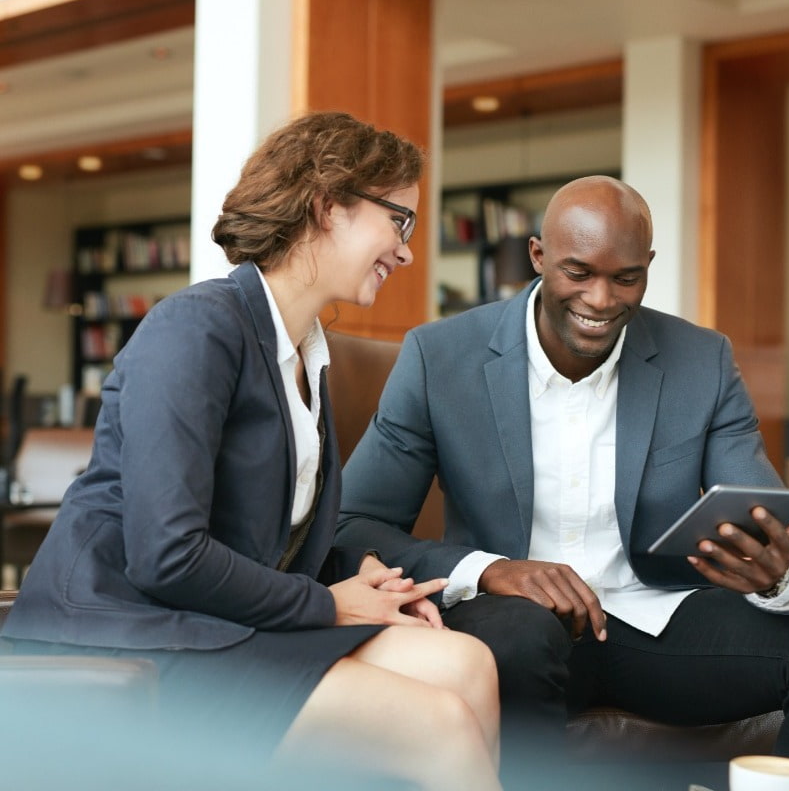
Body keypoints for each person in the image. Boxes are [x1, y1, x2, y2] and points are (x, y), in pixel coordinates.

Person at [2, 111, 501, 791]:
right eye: (398, 220)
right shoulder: (195, 327)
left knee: (468, 663)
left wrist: (372, 582)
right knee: (435, 723)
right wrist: (331, 605)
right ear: (328, 207)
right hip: (126, 631)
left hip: (209, 623)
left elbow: (267, 535)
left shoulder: (306, 357)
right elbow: (166, 554)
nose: (407, 250)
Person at [336, 175, 789, 772]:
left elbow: (762, 516)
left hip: (656, 616)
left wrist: (779, 578)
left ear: (648, 267)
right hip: (513, 626)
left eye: (625, 277)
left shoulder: (701, 360)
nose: (601, 300)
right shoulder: (439, 357)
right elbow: (356, 525)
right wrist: (492, 571)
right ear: (537, 256)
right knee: (523, 638)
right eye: (578, 273)